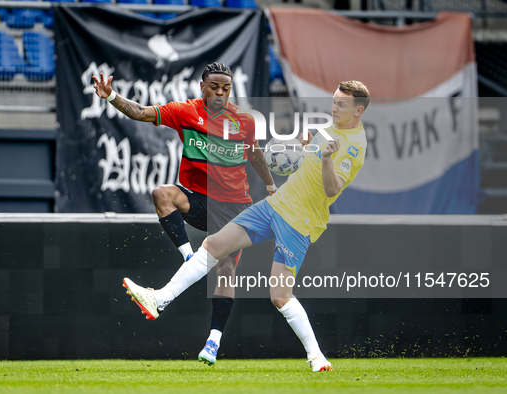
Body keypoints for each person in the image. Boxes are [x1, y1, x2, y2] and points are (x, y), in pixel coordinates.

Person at [122, 81, 370, 371]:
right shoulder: (330, 129)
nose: (333, 106)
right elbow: (309, 165)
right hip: (275, 206)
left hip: (299, 221)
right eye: (334, 100)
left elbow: (331, 189)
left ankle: (317, 357)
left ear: (358, 110)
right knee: (213, 245)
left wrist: (326, 157)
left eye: (341, 104)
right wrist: (306, 148)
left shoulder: (355, 147)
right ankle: (159, 299)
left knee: (279, 296)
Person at [92, 62, 276, 365]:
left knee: (226, 270)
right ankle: (189, 258)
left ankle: (213, 343)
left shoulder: (243, 121)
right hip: (200, 201)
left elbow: (254, 153)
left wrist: (269, 184)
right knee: (162, 194)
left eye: (226, 88)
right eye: (214, 87)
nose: (220, 92)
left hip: (235, 207)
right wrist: (111, 97)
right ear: (202, 87)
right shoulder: (186, 111)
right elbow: (140, 112)